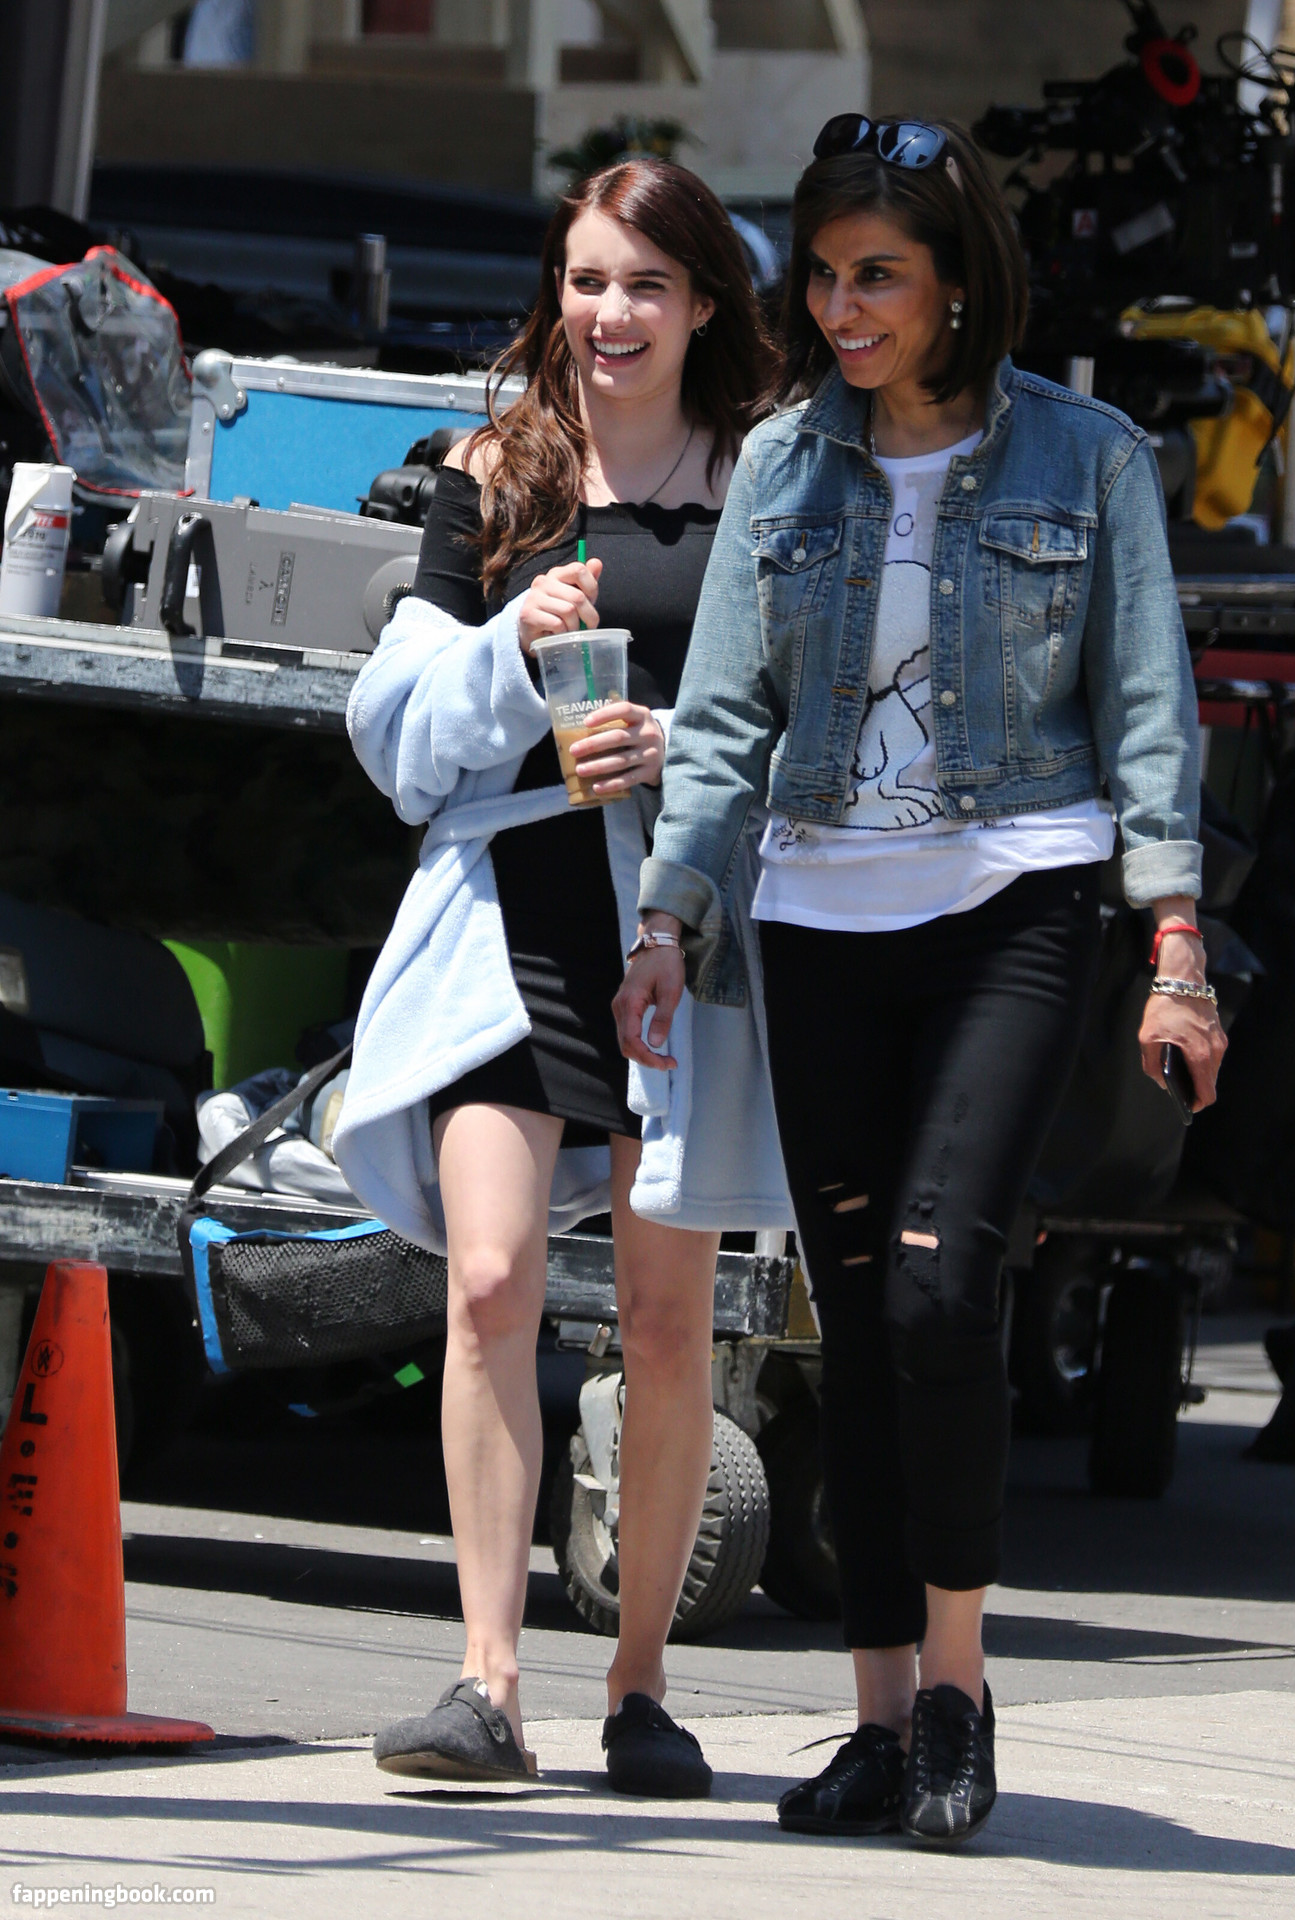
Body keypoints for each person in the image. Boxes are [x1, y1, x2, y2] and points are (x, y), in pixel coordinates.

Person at [614, 116, 1227, 1844]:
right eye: (822, 276)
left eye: (875, 274)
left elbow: (1148, 712)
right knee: (859, 1315)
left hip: (1014, 898)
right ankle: (878, 1715)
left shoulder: (1085, 458)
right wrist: (667, 919)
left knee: (944, 1296)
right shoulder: (782, 464)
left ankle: (956, 1688)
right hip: (817, 921)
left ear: (957, 283)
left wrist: (1173, 944)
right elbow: (722, 724)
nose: (841, 308)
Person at [332, 157, 785, 1799]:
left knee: (665, 1325)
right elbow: (394, 742)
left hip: (679, 922)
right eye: (587, 280)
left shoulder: (762, 483)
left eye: (647, 284)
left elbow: (809, 723)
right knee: (485, 1282)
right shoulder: (495, 474)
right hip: (508, 914)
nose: (611, 313)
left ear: (705, 305)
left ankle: (640, 1686)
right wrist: (513, 649)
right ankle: (486, 1680)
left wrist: (684, 750)